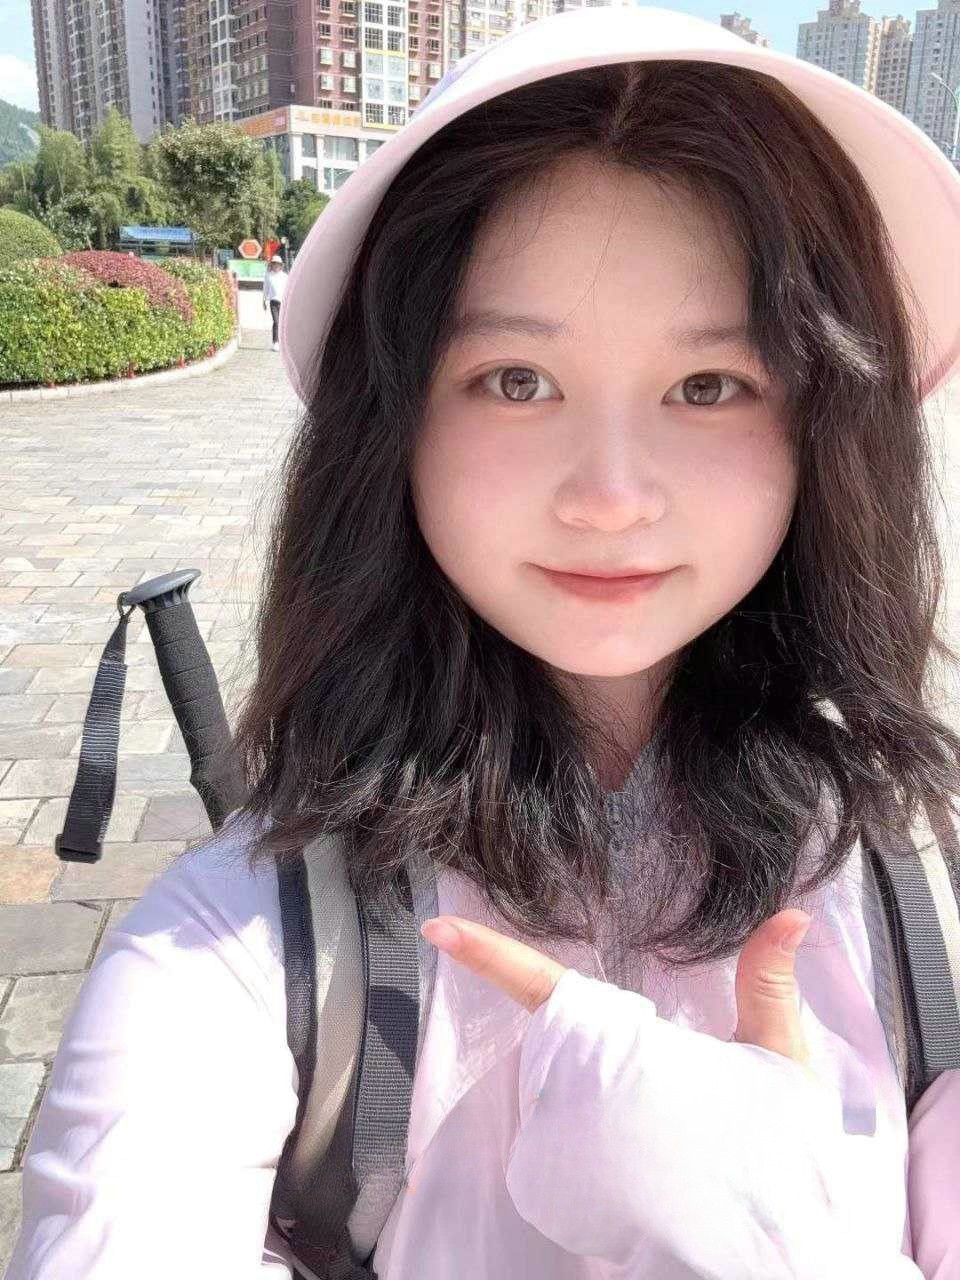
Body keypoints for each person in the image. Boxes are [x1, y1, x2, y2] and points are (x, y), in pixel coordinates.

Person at [7, 7, 960, 1278]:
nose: (612, 495)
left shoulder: (923, 893)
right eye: (517, 379)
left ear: (822, 424)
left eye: (708, 386)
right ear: (395, 420)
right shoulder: (244, 948)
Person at [262, 253, 288, 351]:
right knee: (276, 322)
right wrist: (264, 300)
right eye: (274, 264)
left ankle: (282, 343)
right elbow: (265, 289)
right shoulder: (268, 276)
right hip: (273, 302)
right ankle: (275, 342)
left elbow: (288, 290)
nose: (276, 266)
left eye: (278, 264)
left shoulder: (285, 276)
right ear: (271, 265)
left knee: (282, 323)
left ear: (281, 265)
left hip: (283, 303)